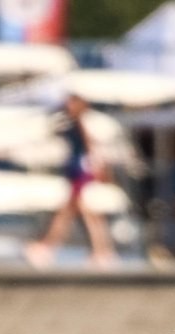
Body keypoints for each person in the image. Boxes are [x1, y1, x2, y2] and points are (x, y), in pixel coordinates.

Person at [28, 94, 116, 267]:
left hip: (81, 172)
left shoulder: (82, 122)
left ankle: (47, 247)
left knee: (68, 212)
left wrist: (98, 168)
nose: (68, 106)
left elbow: (90, 146)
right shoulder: (73, 121)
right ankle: (102, 252)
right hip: (77, 171)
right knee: (87, 214)